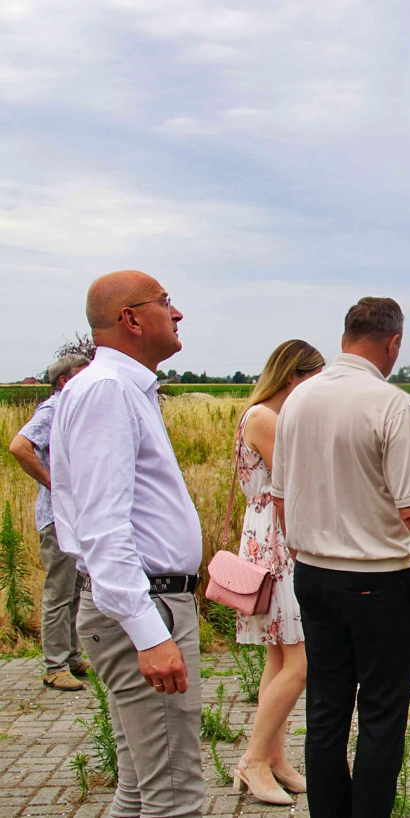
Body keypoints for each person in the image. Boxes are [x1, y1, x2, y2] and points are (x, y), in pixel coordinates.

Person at [272, 297, 410, 818]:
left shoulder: (296, 400)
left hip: (313, 576)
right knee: (382, 716)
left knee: (325, 711)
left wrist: (305, 549)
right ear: (394, 343)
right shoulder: (390, 403)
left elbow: (278, 496)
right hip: (377, 582)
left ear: (344, 337)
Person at [50, 270, 204, 818]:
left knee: (141, 792)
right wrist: (148, 632)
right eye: (166, 302)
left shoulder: (115, 388)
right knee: (175, 796)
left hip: (143, 601)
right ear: (132, 319)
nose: (177, 312)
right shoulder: (109, 391)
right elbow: (104, 526)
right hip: (146, 603)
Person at [229, 339, 324, 805]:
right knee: (302, 664)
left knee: (279, 659)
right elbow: (295, 479)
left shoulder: (265, 415)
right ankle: (252, 761)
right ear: (294, 376)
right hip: (277, 539)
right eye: (313, 379)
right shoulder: (265, 418)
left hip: (270, 533)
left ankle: (275, 759)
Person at [9, 353, 92, 691]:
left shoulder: (72, 409)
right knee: (59, 591)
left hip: (72, 517)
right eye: (82, 374)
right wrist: (52, 483)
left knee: (73, 588)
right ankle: (54, 665)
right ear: (64, 381)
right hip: (56, 518)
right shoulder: (53, 409)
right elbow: (20, 447)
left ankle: (70, 656)